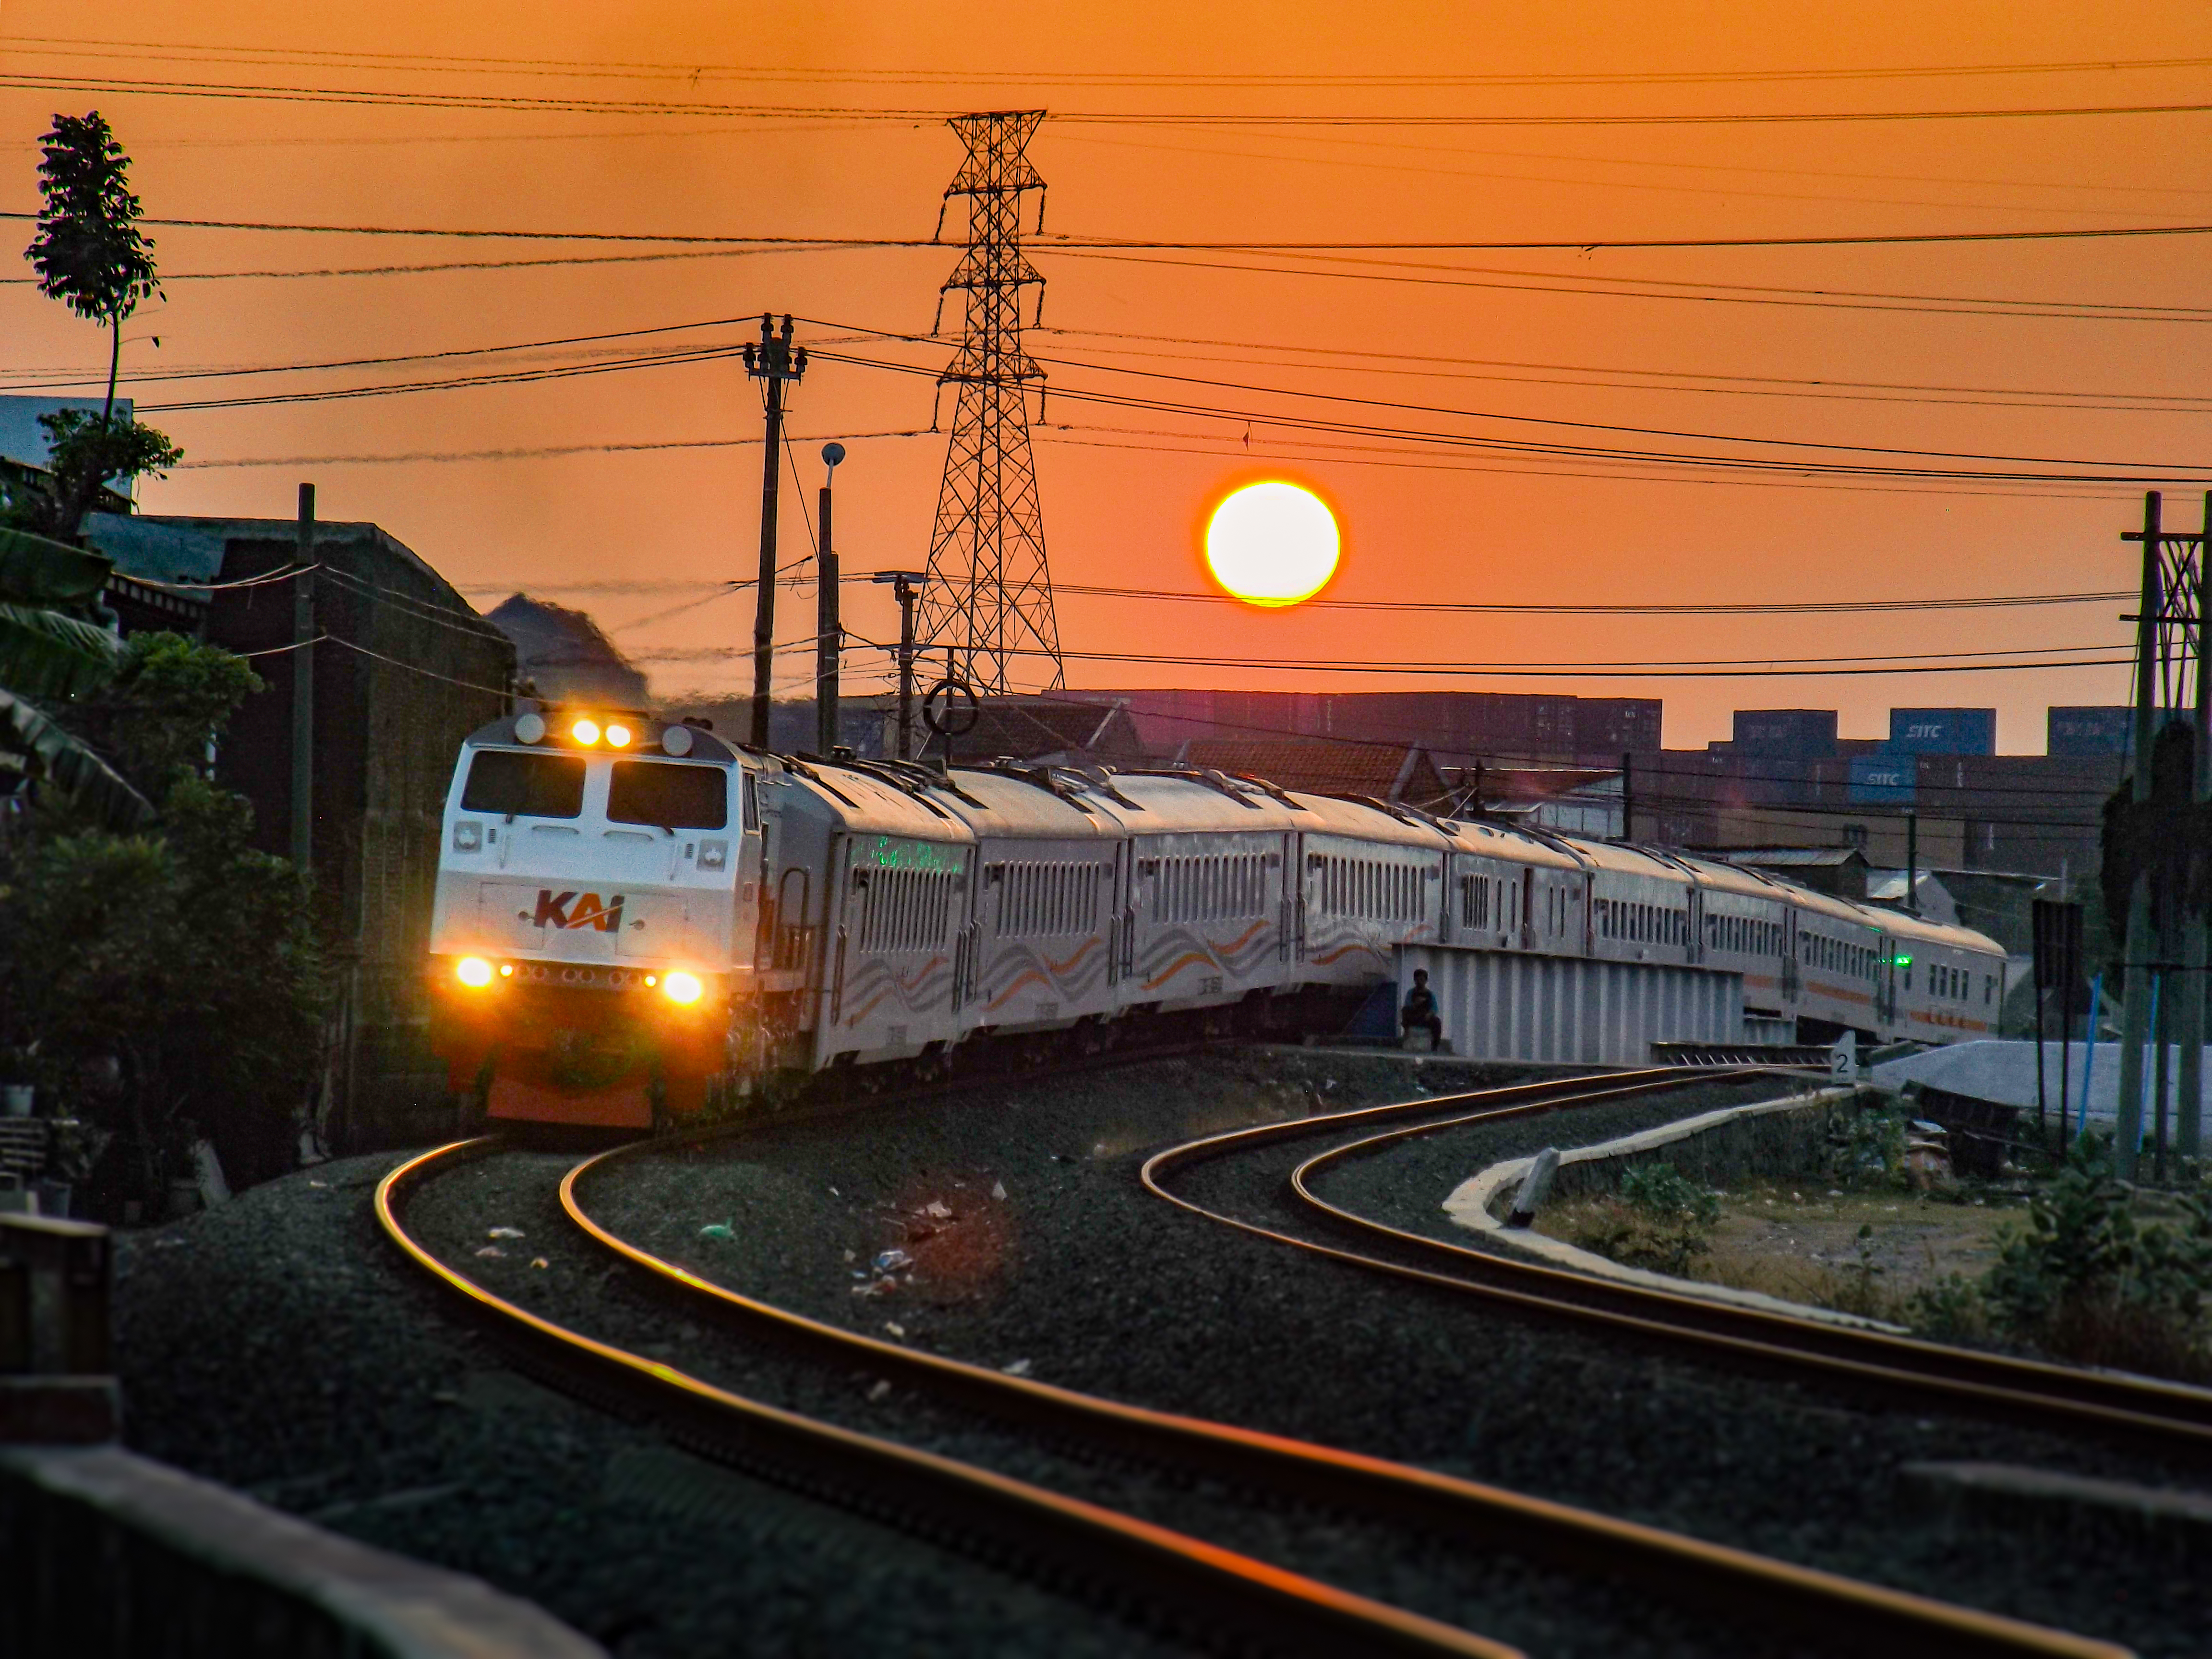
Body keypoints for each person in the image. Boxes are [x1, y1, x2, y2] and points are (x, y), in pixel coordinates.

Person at [1401, 969, 1443, 1050]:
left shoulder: (1430, 994)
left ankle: (1435, 1046)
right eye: (1417, 980)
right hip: (1414, 1016)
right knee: (1405, 1011)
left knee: (1437, 1022)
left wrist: (1430, 1014)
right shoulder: (1411, 993)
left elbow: (1435, 1008)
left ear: (1426, 981)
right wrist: (1415, 1004)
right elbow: (1407, 1006)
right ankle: (1406, 1034)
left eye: (1422, 980)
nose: (1419, 982)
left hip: (1425, 1017)